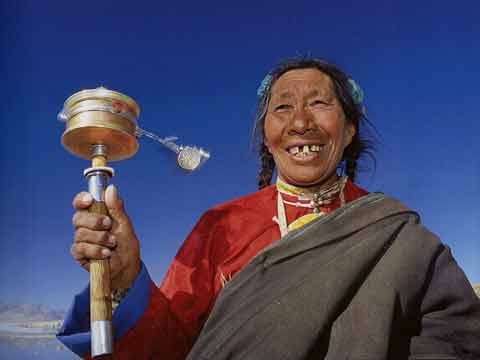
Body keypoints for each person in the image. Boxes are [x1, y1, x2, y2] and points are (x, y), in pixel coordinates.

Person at [57, 58, 480, 359]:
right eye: (282, 107)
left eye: (318, 103)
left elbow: (454, 339)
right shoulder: (219, 228)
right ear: (267, 134)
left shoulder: (396, 236)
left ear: (349, 129)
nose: (300, 122)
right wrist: (127, 278)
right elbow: (175, 349)